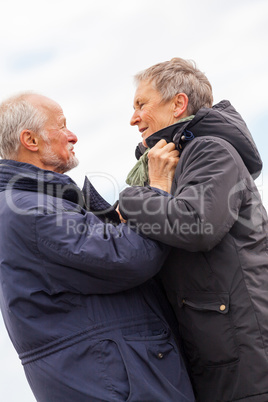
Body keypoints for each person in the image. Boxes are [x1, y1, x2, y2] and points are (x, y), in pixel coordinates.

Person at [0, 92, 195, 402]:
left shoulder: (35, 205)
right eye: (61, 126)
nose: (72, 135)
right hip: (118, 385)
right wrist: (157, 189)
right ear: (30, 140)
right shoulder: (30, 211)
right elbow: (130, 257)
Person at [119, 58, 268, 402]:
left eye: (141, 104)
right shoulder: (178, 160)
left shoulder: (209, 149)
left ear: (179, 104)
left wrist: (132, 200)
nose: (133, 118)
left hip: (247, 361)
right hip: (219, 356)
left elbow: (197, 225)